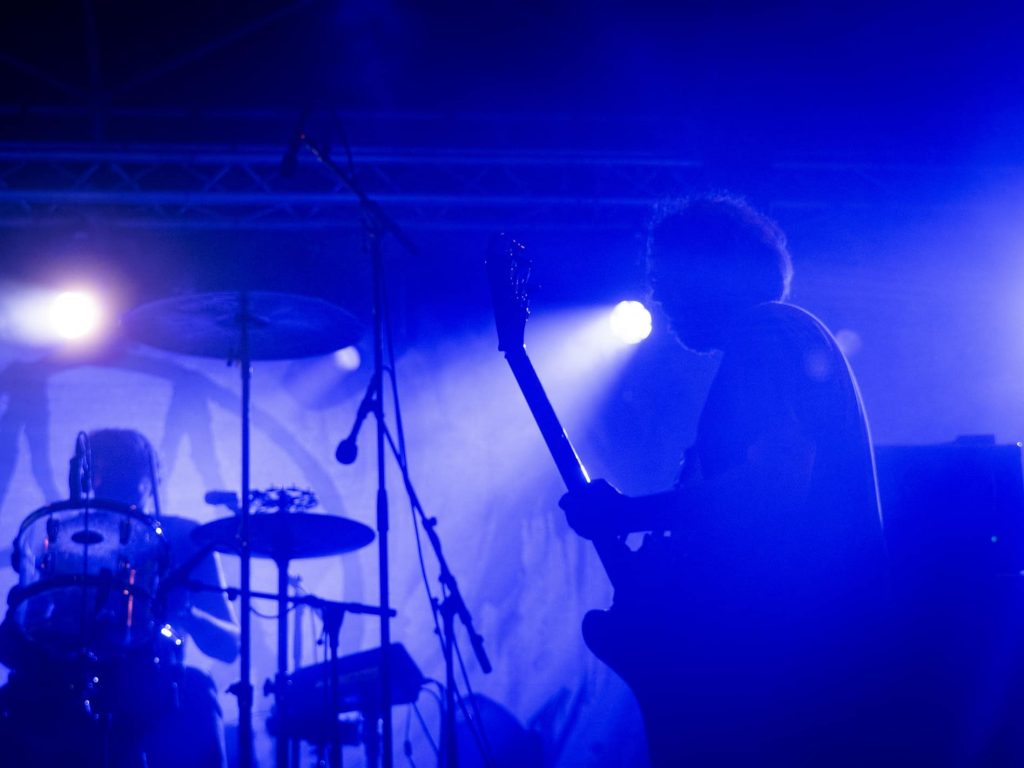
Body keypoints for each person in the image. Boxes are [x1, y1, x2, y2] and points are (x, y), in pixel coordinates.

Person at [559, 195, 896, 766]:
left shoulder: (768, 332)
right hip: (802, 651)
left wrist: (630, 515)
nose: (659, 295)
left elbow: (770, 488)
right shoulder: (777, 338)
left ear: (717, 269)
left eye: (667, 275)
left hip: (792, 658)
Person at [0, 428, 239, 768]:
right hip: (61, 681)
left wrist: (186, 614)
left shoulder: (186, 537)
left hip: (152, 683)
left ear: (152, 479)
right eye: (108, 477)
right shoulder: (66, 535)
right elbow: (12, 645)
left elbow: (230, 646)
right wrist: (27, 613)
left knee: (196, 695)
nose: (116, 488)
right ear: (90, 480)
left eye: (127, 476)